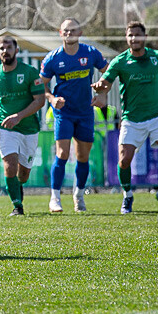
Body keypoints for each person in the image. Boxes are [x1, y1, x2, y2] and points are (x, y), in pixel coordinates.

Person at [92, 21, 158, 214]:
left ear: (144, 37)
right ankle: (128, 196)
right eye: (130, 35)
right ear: (126, 38)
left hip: (157, 116)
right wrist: (100, 89)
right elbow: (105, 82)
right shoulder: (120, 61)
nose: (134, 38)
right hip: (131, 119)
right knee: (124, 161)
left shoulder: (156, 57)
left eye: (137, 35)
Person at [40, 18, 108, 213]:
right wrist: (52, 99)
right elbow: (41, 85)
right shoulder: (53, 58)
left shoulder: (91, 53)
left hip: (85, 112)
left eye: (73, 30)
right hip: (64, 113)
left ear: (80, 32)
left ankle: (78, 196)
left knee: (83, 157)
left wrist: (102, 93)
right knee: (62, 153)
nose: (69, 33)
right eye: (65, 31)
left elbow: (109, 72)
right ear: (60, 33)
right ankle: (55, 198)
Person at [0, 35, 45, 216]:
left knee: (23, 173)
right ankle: (17, 206)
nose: (5, 51)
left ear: (16, 50)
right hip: (6, 128)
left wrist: (19, 116)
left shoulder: (30, 72)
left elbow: (40, 101)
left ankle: (18, 187)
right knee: (10, 165)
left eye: (9, 48)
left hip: (29, 128)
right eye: (1, 48)